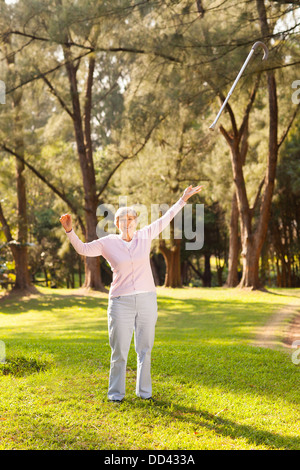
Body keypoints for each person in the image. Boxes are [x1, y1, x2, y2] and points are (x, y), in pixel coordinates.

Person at [60, 185, 203, 402]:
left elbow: (167, 217)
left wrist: (183, 199)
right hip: (120, 303)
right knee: (119, 351)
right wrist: (70, 231)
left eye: (132, 219)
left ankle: (144, 393)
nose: (128, 223)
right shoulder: (107, 242)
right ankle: (116, 394)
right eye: (123, 220)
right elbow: (84, 249)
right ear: (116, 224)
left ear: (136, 222)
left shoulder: (144, 236)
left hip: (147, 299)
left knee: (145, 348)